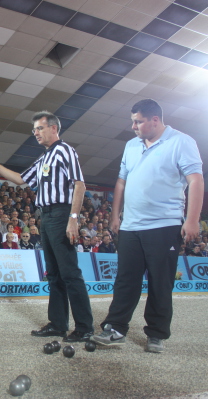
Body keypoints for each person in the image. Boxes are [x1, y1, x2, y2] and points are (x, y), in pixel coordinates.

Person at [91, 99, 203, 353]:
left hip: (164, 225)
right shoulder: (131, 146)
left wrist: (192, 218)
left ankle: (156, 334)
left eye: (138, 121)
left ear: (155, 120)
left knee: (160, 282)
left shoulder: (181, 142)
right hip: (131, 226)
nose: (133, 126)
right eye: (133, 121)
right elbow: (121, 182)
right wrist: (115, 216)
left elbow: (195, 180)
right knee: (125, 280)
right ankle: (115, 327)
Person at [0, 110, 93, 342]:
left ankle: (85, 327)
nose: (36, 133)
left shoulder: (65, 150)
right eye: (34, 130)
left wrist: (73, 218)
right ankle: (58, 324)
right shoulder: (44, 157)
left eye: (40, 128)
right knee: (53, 274)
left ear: (54, 128)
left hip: (61, 214)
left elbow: (79, 184)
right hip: (46, 216)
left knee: (70, 273)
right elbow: (21, 179)